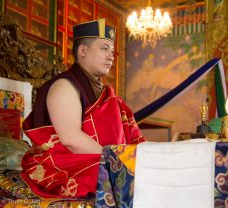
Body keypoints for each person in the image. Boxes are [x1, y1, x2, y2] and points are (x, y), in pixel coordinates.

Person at [21, 19, 146, 198]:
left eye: (112, 50)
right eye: (104, 48)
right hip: (66, 162)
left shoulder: (105, 93)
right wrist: (118, 161)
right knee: (122, 177)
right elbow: (70, 139)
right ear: (82, 50)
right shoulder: (64, 85)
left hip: (101, 157)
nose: (111, 56)